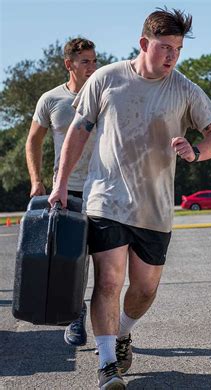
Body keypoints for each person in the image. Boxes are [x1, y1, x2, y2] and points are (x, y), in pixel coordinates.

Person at [48, 7, 211, 390]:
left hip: (155, 207)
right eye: (165, 47)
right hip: (106, 200)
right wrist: (60, 184)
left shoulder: (184, 88)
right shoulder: (106, 78)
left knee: (144, 289)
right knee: (109, 281)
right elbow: (77, 134)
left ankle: (123, 332)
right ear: (144, 43)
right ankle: (108, 364)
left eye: (177, 50)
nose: (171, 57)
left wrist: (197, 151)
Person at [26, 37, 97, 346]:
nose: (92, 67)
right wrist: (36, 181)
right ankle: (76, 312)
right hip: (66, 192)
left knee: (108, 265)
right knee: (72, 259)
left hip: (104, 191)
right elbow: (33, 141)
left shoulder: (105, 94)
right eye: (85, 62)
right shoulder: (51, 99)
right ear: (70, 64)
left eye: (95, 61)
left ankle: (111, 333)